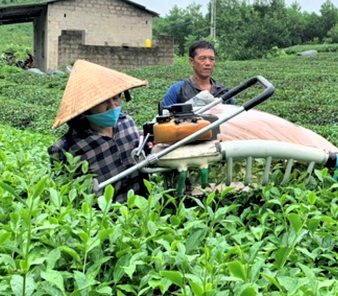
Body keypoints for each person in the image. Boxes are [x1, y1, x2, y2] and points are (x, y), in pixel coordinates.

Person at [48, 59, 148, 203]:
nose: (113, 106)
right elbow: (61, 196)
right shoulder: (65, 148)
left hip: (142, 212)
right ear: (86, 108)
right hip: (103, 220)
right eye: (104, 102)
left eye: (116, 98)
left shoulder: (128, 124)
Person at [161, 40, 232, 107]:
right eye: (202, 58)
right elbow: (164, 116)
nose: (208, 63)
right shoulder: (177, 90)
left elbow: (235, 117)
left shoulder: (223, 92)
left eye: (212, 59)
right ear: (191, 61)